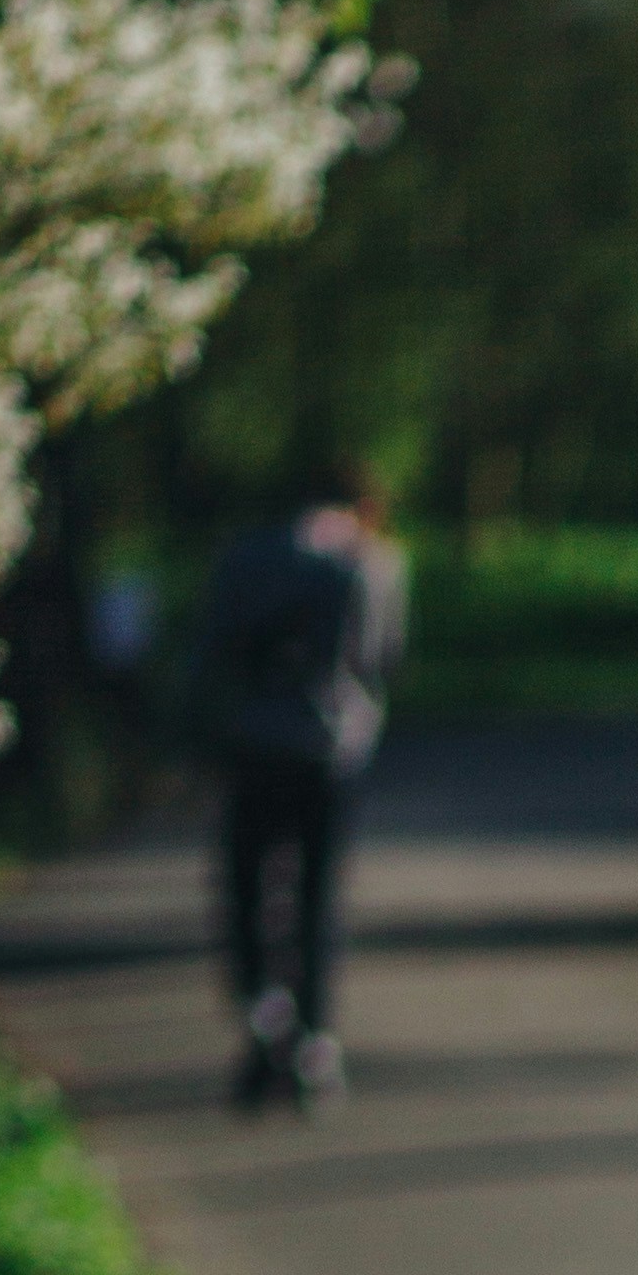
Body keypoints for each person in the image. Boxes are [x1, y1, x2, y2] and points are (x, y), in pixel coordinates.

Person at [192, 462, 408, 1107]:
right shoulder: (371, 561)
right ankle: (315, 1039)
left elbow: (210, 651)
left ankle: (264, 1016)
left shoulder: (243, 555)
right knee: (316, 896)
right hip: (329, 749)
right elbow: (380, 656)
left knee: (248, 889)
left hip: (252, 743)